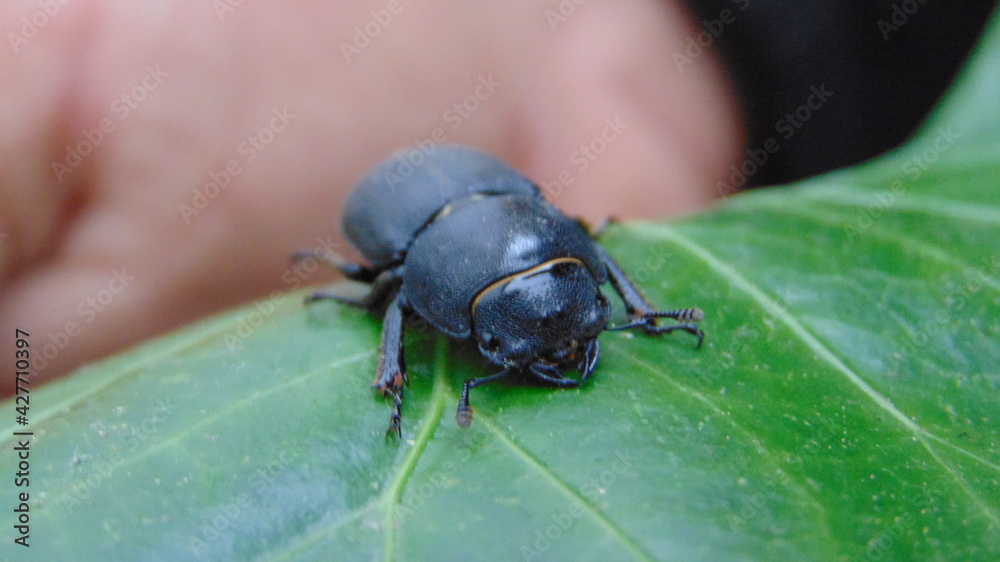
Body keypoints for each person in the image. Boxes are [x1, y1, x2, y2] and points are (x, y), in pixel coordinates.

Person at [0, 0, 993, 395]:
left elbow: (583, 247)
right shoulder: (419, 269)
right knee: (372, 288)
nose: (566, 346)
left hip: (511, 189)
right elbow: (403, 293)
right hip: (434, 211)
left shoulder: (547, 234)